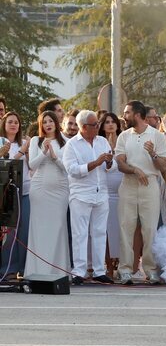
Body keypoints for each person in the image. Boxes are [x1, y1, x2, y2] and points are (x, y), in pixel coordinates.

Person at [114, 100, 166, 285]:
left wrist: (153, 154)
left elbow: (162, 165)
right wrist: (134, 170)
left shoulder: (157, 136)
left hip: (150, 185)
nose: (124, 116)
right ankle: (125, 269)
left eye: (127, 112)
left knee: (150, 229)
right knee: (125, 227)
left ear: (137, 114)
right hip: (129, 184)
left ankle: (151, 269)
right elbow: (120, 163)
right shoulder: (123, 136)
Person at [62, 110, 115, 285]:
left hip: (101, 194)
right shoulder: (72, 145)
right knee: (80, 234)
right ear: (84, 127)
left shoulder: (102, 141)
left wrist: (108, 162)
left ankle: (99, 270)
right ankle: (79, 271)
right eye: (95, 125)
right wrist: (95, 163)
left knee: (99, 232)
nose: (98, 127)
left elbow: (111, 166)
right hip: (81, 195)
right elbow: (73, 170)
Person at [24, 111, 70, 277]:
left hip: (60, 189)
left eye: (51, 121)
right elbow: (32, 165)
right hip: (39, 188)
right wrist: (44, 152)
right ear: (41, 125)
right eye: (44, 122)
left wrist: (54, 157)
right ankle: (37, 271)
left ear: (56, 123)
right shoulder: (36, 140)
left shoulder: (65, 141)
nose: (48, 124)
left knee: (58, 226)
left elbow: (67, 168)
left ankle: (59, 271)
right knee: (39, 228)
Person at [0, 112, 30, 280]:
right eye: (10, 122)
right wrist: (21, 152)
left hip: (25, 191)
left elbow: (32, 165)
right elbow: (7, 164)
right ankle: (7, 268)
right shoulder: (1, 143)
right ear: (4, 125)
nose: (13, 125)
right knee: (9, 232)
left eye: (16, 122)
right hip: (7, 194)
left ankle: (23, 268)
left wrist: (28, 149)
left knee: (24, 230)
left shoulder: (25, 143)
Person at [98, 112, 123, 275]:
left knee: (119, 230)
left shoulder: (123, 141)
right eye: (107, 122)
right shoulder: (98, 142)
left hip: (120, 191)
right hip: (102, 190)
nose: (110, 124)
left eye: (113, 121)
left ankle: (119, 264)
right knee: (103, 230)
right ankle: (106, 264)